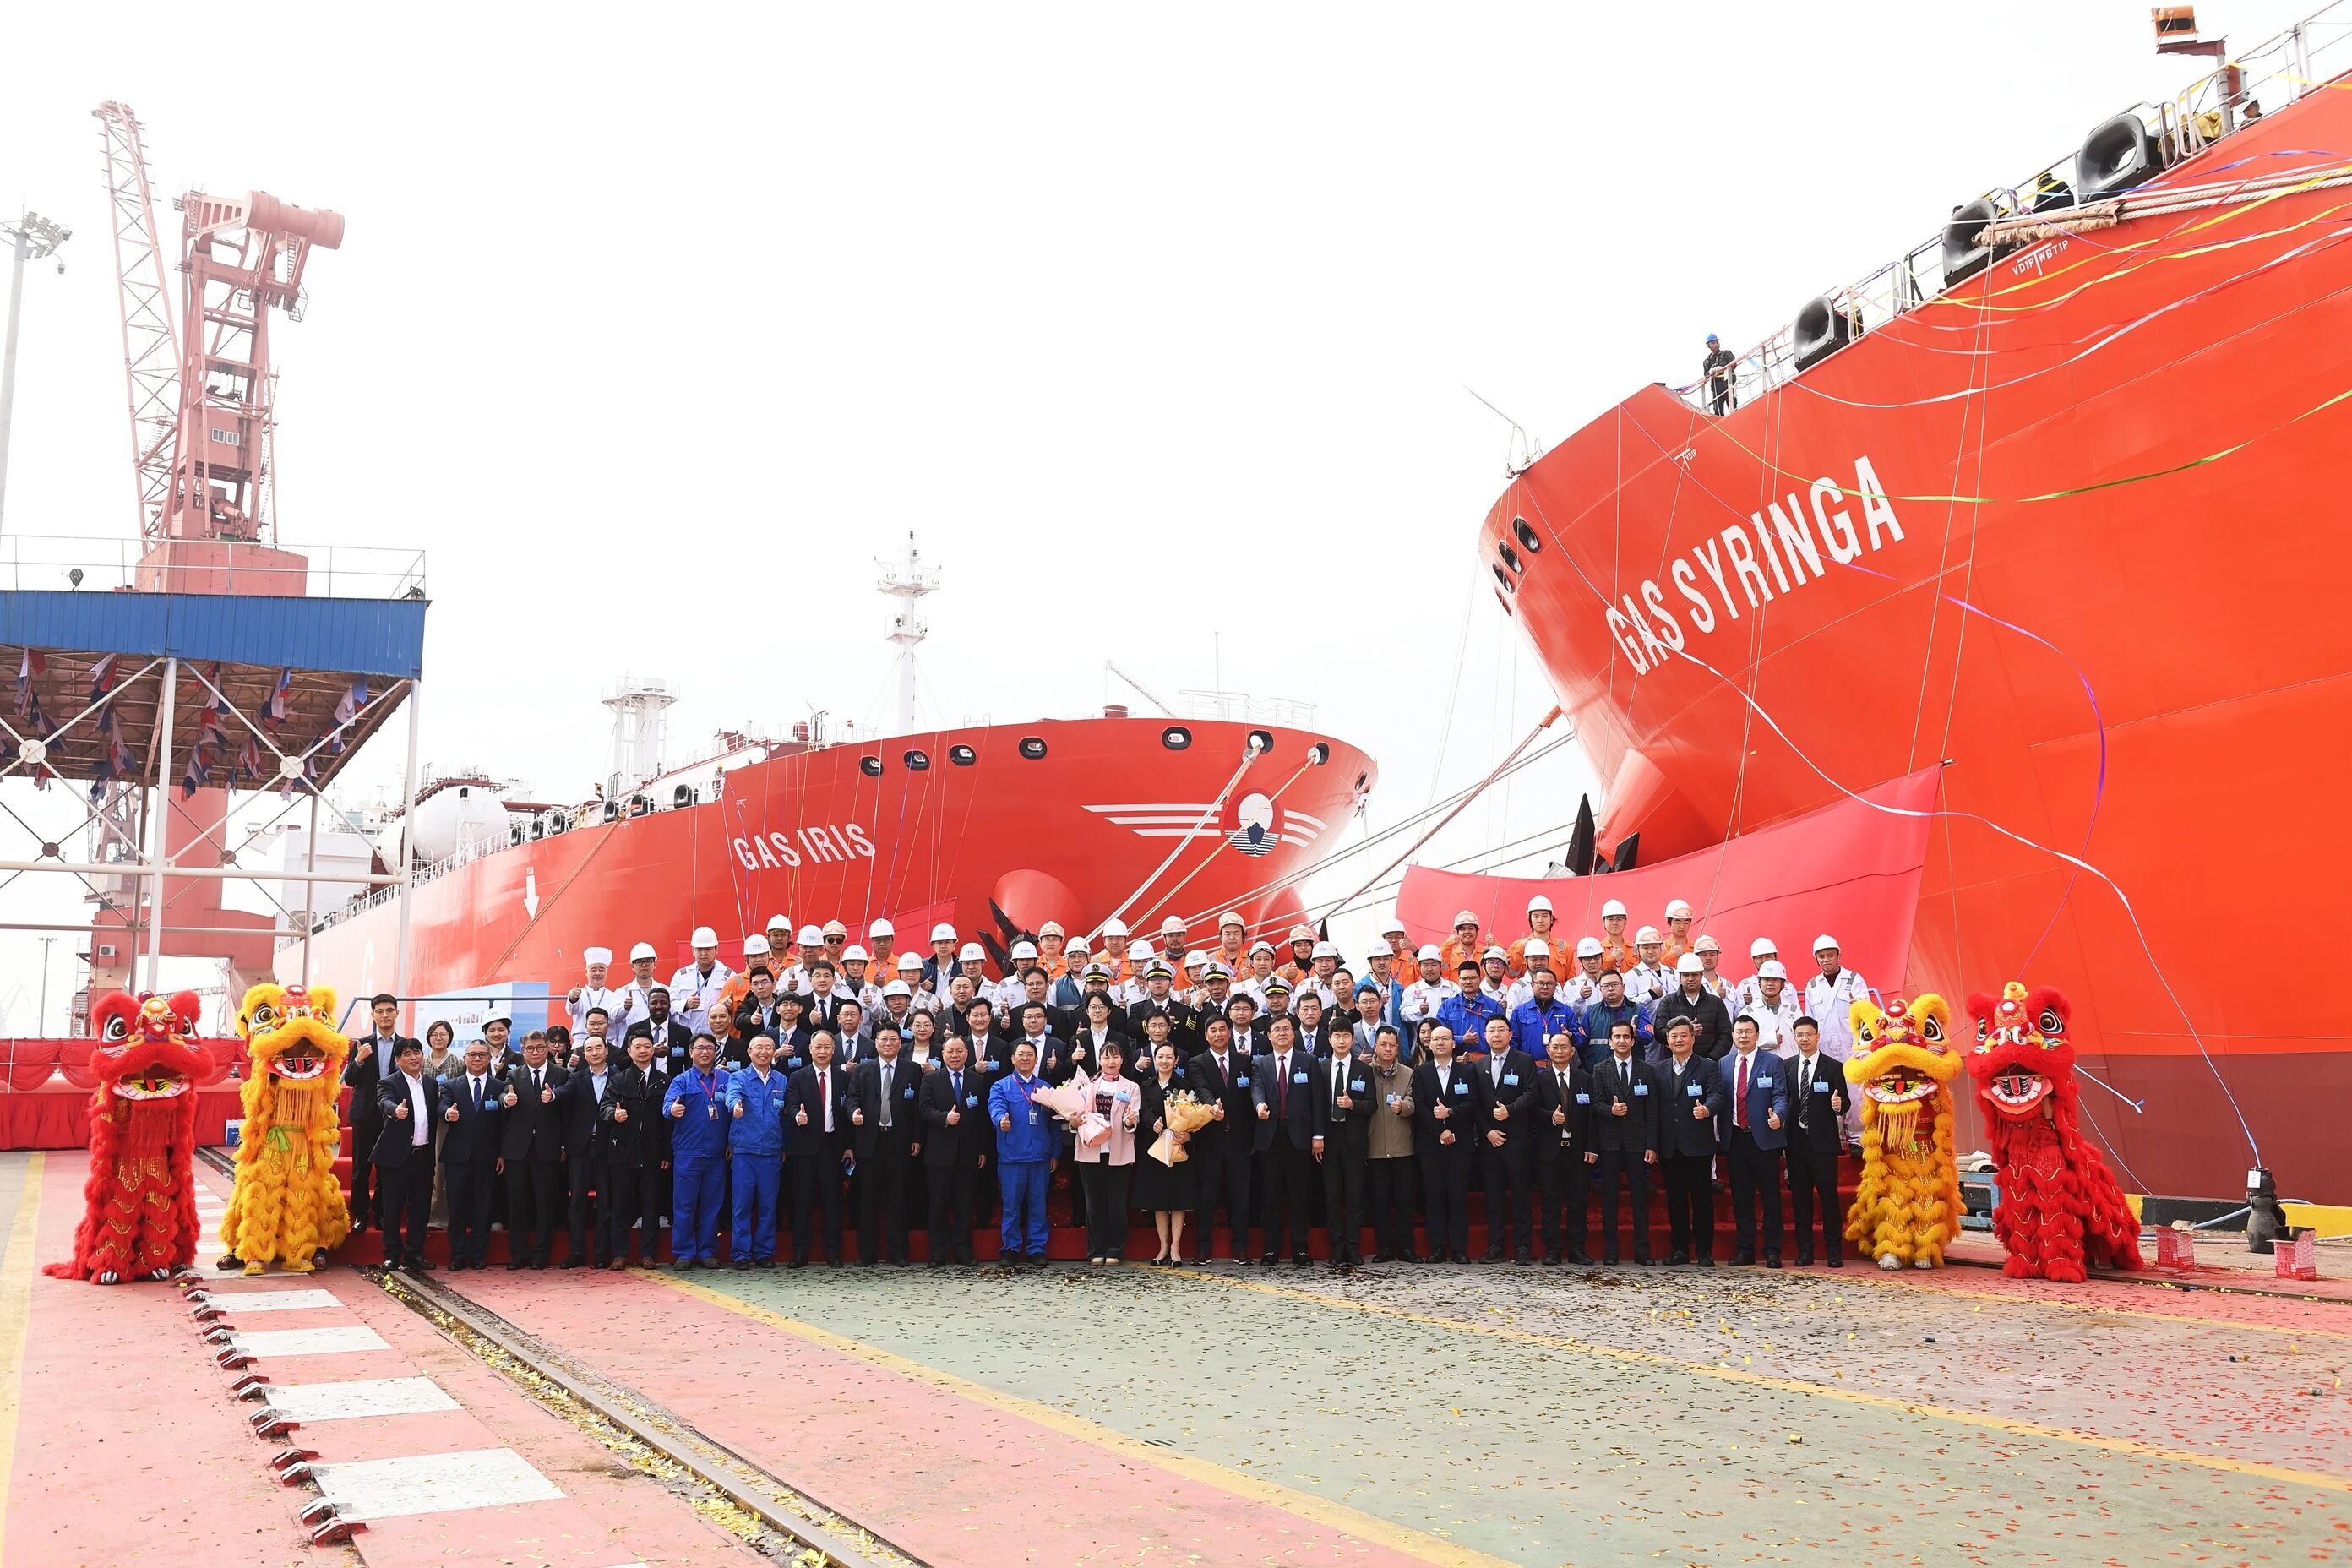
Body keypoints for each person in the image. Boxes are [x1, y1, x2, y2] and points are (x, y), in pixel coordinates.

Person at [1411, 1024, 1484, 1263]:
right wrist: (1440, 1131)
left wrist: (1450, 1113)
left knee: (1458, 1196)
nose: (1440, 1042)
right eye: (1435, 1039)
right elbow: (1420, 1107)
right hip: (1430, 1145)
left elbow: (1472, 1102)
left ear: (1454, 1043)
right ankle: (1437, 1248)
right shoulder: (1421, 1073)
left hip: (1460, 1144)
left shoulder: (1467, 1072)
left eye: (1445, 1038)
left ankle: (1459, 1249)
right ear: (1429, 1044)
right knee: (1434, 1197)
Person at [1653, 1016, 1724, 1266]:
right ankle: (1680, 1249)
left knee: (1702, 1199)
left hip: (1698, 1145)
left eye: (1684, 1035)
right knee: (1676, 1199)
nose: (1679, 1040)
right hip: (1669, 1145)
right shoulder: (1658, 1070)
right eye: (1674, 1036)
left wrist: (1706, 1109)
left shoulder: (1707, 1067)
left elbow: (1717, 1096)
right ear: (1667, 1041)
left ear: (1693, 1038)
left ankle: (1704, 1250)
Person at [1719, 1015, 1788, 1267]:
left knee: (1771, 1198)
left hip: (1764, 1139)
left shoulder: (1772, 1062)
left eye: (1748, 1032)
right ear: (1733, 1036)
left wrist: (1779, 1115)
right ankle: (1745, 1249)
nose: (1743, 1036)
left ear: (1757, 1035)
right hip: (1735, 1138)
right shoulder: (1724, 1063)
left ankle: (1772, 1251)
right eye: (1739, 1032)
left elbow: (1780, 1094)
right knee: (1741, 1198)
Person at [848, 1024, 920, 1266]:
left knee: (898, 1199)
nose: (888, 1043)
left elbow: (918, 1107)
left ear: (900, 1042)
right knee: (867, 1199)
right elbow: (852, 1098)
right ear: (876, 1042)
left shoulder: (912, 1070)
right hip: (870, 1141)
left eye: (893, 1039)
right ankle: (866, 1253)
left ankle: (898, 1252)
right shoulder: (862, 1070)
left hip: (899, 1142)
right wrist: (853, 1113)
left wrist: (917, 1137)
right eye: (883, 1039)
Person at [1588, 1019, 1658, 1266]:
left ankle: (1642, 1250)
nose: (1621, 1041)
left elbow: (1652, 1110)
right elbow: (1595, 1105)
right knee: (1610, 1200)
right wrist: (1611, 1111)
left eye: (1626, 1036)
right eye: (1616, 1037)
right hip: (1610, 1143)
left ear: (1633, 1040)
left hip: (1638, 1143)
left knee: (1640, 1199)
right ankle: (1611, 1251)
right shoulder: (1600, 1069)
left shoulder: (1646, 1070)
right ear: (1610, 1042)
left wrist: (1652, 1144)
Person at [498, 1031, 569, 1270]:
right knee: (516, 1202)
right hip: (517, 1149)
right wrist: (506, 1100)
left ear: (547, 1048)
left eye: (540, 1047)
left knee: (545, 1203)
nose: (535, 1052)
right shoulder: (514, 1074)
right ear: (523, 1050)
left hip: (548, 1148)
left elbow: (567, 1113)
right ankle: (518, 1254)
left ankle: (541, 1253)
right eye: (530, 1048)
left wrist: (563, 1144)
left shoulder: (561, 1074)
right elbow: (503, 1093)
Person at [1250, 1013, 1317, 1266]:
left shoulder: (1308, 1061)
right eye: (1277, 1029)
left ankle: (1300, 1249)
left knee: (1299, 1196)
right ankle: (1271, 1249)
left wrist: (1318, 1135)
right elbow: (1257, 1089)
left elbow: (1317, 1101)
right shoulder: (1260, 1063)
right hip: (1270, 1138)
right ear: (1268, 1035)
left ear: (1294, 1033)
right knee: (1271, 1196)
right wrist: (1259, 1105)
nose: (1282, 1033)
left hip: (1299, 1138)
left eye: (1286, 1029)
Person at [1187, 1014, 1255, 1264]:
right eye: (1213, 1030)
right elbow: (1202, 1088)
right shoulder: (1197, 1062)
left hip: (1239, 1140)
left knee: (1241, 1197)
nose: (1218, 1034)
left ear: (1229, 1032)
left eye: (1222, 1029)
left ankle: (1240, 1248)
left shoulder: (1244, 1061)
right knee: (1207, 1196)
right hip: (1210, 1141)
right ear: (1206, 1035)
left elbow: (1249, 1096)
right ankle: (1203, 1248)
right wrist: (1211, 1106)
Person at [345, 993, 415, 1233]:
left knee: (388, 1167)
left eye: (389, 1010)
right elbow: (350, 1079)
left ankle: (382, 1212)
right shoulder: (361, 1044)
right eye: (380, 1011)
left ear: (397, 1013)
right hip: (365, 1114)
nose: (385, 1015)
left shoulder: (405, 1045)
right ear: (373, 1015)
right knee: (360, 1168)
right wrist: (359, 1060)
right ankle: (360, 1214)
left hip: (394, 1112)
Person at [1065, 1038, 1139, 1265]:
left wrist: (1130, 1121)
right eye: (1106, 1057)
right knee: (1093, 1204)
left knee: (1117, 1204)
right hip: (1091, 1150)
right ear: (1099, 1060)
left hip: (1119, 1150)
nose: (1111, 1061)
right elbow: (1075, 1118)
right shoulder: (1087, 1086)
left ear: (1122, 1060)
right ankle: (1096, 1250)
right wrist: (1073, 1122)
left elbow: (1132, 1118)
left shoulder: (1131, 1087)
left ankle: (1116, 1250)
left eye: (1115, 1056)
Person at [1783, 1017, 1848, 1267]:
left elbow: (1845, 1102)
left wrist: (1839, 1104)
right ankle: (1805, 1251)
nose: (1805, 1039)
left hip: (1823, 1144)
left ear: (1818, 1036)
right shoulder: (1787, 1066)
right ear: (1794, 1038)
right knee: (1801, 1199)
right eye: (1800, 1035)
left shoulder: (1833, 1067)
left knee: (1828, 1198)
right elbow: (1783, 1100)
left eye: (1809, 1034)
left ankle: (1834, 1251)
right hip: (1796, 1143)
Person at [371, 1037, 440, 1271]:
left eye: (417, 1052)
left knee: (420, 1208)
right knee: (392, 1208)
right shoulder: (388, 1083)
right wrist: (395, 1110)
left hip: (423, 1155)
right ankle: (392, 1254)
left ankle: (415, 1254)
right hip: (396, 1157)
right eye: (408, 1054)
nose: (414, 1057)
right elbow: (384, 1102)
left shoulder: (431, 1084)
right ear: (398, 1060)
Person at [785, 1032, 853, 1266]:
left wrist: (849, 1147)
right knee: (802, 1200)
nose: (822, 1051)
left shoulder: (843, 1077)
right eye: (818, 1047)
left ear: (834, 1050)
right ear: (810, 1049)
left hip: (832, 1147)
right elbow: (791, 1104)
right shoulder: (798, 1077)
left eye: (827, 1047)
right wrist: (797, 1116)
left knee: (832, 1201)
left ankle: (833, 1252)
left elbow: (848, 1111)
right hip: (803, 1148)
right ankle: (800, 1252)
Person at [920, 1034, 989, 1265]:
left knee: (965, 1204)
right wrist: (945, 1118)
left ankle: (963, 1251)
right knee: (938, 1204)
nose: (955, 1055)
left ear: (967, 1054)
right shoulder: (931, 1079)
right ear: (942, 1055)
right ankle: (937, 1253)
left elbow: (982, 1119)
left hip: (968, 1153)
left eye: (959, 1051)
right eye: (950, 1051)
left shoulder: (976, 1081)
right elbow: (924, 1110)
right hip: (939, 1154)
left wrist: (982, 1150)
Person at [662, 1034, 729, 1270]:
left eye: (709, 1048)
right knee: (684, 1205)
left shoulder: (726, 1079)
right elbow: (667, 1107)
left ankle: (707, 1251)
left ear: (715, 1052)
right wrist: (673, 1109)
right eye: (700, 1048)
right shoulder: (681, 1080)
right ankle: (684, 1253)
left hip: (716, 1153)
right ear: (691, 1052)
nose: (705, 1052)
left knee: (712, 1205)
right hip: (688, 1153)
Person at [725, 1033, 791, 1269]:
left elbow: (785, 1114)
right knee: (742, 1205)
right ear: (749, 1052)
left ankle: (764, 1252)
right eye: (758, 1048)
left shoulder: (781, 1080)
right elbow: (731, 1096)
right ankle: (741, 1253)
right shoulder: (739, 1077)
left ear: (774, 1052)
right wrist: (735, 1106)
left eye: (768, 1048)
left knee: (768, 1205)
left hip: (771, 1152)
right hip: (745, 1151)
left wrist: (784, 1145)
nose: (763, 1052)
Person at [988, 1039, 1055, 1265]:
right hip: (1012, 1157)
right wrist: (1001, 1120)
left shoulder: (1046, 1088)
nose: (1025, 1058)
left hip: (1040, 1157)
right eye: (1021, 1054)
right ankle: (1011, 1248)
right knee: (1012, 1206)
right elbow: (996, 1107)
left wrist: (1055, 1153)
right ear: (1012, 1059)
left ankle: (1037, 1249)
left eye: (1029, 1055)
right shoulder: (1001, 1086)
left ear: (1036, 1060)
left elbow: (1054, 1123)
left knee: (1039, 1206)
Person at [1528, 1032, 1592, 1265]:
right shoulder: (1539, 1079)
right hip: (1549, 1150)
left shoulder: (1585, 1079)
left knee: (1578, 1202)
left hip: (1578, 1149)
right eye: (1555, 1047)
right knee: (1551, 1202)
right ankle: (1552, 1249)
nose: (1559, 1051)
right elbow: (1531, 1110)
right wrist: (1550, 1117)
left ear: (1572, 1051)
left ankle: (1577, 1249)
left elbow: (1592, 1116)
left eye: (1564, 1047)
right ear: (1548, 1050)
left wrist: (1592, 1148)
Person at [1476, 1014, 1536, 1263]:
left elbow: (1531, 1094)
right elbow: (1475, 1104)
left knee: (1521, 1194)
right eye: (1492, 1030)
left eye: (1501, 1029)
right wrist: (1487, 1131)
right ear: (1485, 1036)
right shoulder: (1478, 1065)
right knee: (1494, 1196)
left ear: (1511, 1034)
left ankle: (1523, 1246)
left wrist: (1510, 1111)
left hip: (1517, 1140)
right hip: (1490, 1141)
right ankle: (1496, 1245)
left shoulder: (1524, 1060)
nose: (1497, 1034)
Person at [440, 1040, 505, 1271]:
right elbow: (441, 1106)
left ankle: (478, 1254)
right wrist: (448, 1113)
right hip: (457, 1157)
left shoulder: (500, 1087)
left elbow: (504, 1124)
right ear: (464, 1058)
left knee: (483, 1207)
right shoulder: (451, 1086)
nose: (477, 1059)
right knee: (457, 1207)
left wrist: (502, 1154)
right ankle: (458, 1255)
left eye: (482, 1055)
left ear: (489, 1059)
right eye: (472, 1055)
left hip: (487, 1157)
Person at [602, 1032, 664, 1267]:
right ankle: (620, 1254)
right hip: (623, 1152)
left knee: (651, 1205)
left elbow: (667, 1122)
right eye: (637, 1047)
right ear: (629, 1051)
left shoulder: (663, 1080)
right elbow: (605, 1106)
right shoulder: (618, 1080)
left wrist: (666, 1154)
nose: (643, 1051)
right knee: (620, 1206)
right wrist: (614, 1114)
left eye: (647, 1046)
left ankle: (648, 1254)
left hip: (652, 1153)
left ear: (653, 1050)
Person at [558, 1034, 619, 1267]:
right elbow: (564, 1096)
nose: (594, 1053)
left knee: (605, 1201)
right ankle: (577, 1252)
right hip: (580, 1146)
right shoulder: (577, 1077)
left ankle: (602, 1253)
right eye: (589, 1049)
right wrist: (552, 1095)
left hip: (608, 1146)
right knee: (577, 1201)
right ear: (584, 1054)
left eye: (598, 1048)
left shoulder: (618, 1077)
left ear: (606, 1050)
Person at [1134, 1037, 1196, 1265]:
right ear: (1154, 1059)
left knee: (1178, 1198)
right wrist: (1153, 1122)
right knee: (1158, 1199)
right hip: (1154, 1147)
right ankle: (1163, 1247)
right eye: (1160, 1056)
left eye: (1169, 1056)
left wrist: (1188, 1133)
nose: (1165, 1060)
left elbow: (1193, 1114)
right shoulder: (1145, 1085)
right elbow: (1141, 1111)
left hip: (1178, 1146)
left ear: (1176, 1060)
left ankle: (1176, 1247)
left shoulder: (1185, 1086)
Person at [1316, 1020, 1371, 1269]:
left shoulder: (1363, 1070)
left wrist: (1353, 1105)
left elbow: (1372, 1104)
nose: (1341, 1041)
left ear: (1352, 1039)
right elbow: (1314, 1105)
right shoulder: (1320, 1068)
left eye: (1346, 1036)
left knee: (1355, 1196)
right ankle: (1337, 1247)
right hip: (1328, 1138)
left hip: (1354, 1140)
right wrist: (1317, 1136)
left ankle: (1353, 1247)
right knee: (1332, 1197)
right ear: (1330, 1040)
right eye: (1336, 1036)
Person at [1362, 1026, 1418, 1260]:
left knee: (1405, 1201)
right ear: (1375, 1046)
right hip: (1374, 1146)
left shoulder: (1408, 1073)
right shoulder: (1363, 1071)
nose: (1387, 1049)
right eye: (1383, 1044)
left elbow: (1413, 1102)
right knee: (1380, 1201)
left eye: (1392, 1045)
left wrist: (1403, 1106)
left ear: (1397, 1048)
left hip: (1402, 1146)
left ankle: (1406, 1248)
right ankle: (1384, 1247)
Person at [1652, 953, 1734, 1063]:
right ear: (1680, 977)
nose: (1690, 979)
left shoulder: (1716, 1002)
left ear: (1701, 976)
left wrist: (1711, 1059)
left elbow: (1726, 1035)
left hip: (1709, 1064)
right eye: (1686, 975)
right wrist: (1685, 1030)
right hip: (1676, 1063)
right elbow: (1659, 1033)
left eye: (1694, 975)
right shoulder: (1668, 1002)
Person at [1803, 936, 1870, 1062]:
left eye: (1830, 955)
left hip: (1851, 1048)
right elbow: (1810, 1020)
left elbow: (1867, 1016)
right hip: (1824, 1048)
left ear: (1839, 956)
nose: (1826, 960)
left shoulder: (1854, 979)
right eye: (1821, 956)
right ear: (1816, 959)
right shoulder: (1813, 985)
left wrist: (1859, 1006)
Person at [1580, 972, 1649, 1072]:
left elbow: (1649, 1036)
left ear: (1623, 987)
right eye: (1606, 986)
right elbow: (1582, 1041)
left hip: (1632, 1069)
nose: (1611, 989)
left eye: (1614, 984)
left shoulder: (1638, 1009)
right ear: (1600, 990)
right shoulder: (1591, 1012)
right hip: (1598, 1070)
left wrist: (1636, 1033)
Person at [1702, 332, 1735, 415]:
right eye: (1713, 343)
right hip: (1716, 387)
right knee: (1718, 411)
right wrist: (1711, 372)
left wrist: (1723, 369)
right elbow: (1706, 375)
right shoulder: (1707, 361)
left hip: (1727, 384)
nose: (1716, 344)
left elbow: (1734, 364)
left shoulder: (1726, 354)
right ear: (1708, 345)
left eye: (1717, 342)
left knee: (1733, 407)